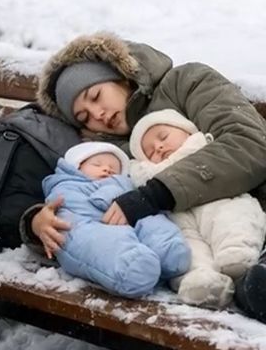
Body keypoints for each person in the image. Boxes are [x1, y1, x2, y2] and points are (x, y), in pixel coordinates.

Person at [25, 31, 266, 317]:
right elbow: (81, 197)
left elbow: (249, 144)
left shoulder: (186, 83)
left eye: (96, 96)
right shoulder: (109, 153)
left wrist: (156, 193)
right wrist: (36, 222)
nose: (97, 114)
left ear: (121, 77)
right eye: (84, 117)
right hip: (193, 252)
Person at [129, 109, 266, 307]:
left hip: (218, 199)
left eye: (163, 136)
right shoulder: (147, 177)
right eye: (150, 153)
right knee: (188, 246)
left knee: (233, 216)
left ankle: (236, 253)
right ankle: (203, 283)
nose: (158, 147)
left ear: (188, 131)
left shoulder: (204, 148)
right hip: (181, 218)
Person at [42, 142, 190, 298]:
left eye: (114, 168)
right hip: (84, 224)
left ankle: (168, 250)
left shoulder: (125, 185)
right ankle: (130, 267)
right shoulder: (65, 185)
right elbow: (91, 201)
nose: (107, 169)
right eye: (97, 164)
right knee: (97, 241)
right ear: (76, 167)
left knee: (150, 219)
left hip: (122, 216)